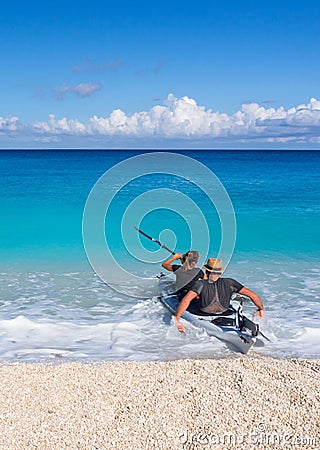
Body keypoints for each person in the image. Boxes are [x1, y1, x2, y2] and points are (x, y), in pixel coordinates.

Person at [174, 257, 265, 333]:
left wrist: (177, 319)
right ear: (220, 273)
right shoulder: (231, 282)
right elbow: (253, 295)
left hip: (204, 313)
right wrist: (260, 309)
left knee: (191, 300)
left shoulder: (200, 284)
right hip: (224, 311)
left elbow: (186, 300)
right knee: (232, 305)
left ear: (207, 272)